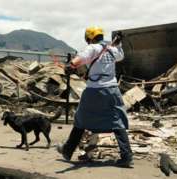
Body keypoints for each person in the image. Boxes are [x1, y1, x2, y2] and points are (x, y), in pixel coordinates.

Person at [57, 27, 133, 167]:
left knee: (80, 119)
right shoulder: (112, 49)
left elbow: (82, 58)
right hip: (112, 89)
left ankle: (67, 150)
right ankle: (126, 155)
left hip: (94, 90)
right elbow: (121, 56)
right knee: (117, 120)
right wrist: (119, 43)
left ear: (89, 38)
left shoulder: (92, 48)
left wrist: (71, 65)